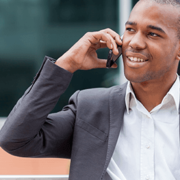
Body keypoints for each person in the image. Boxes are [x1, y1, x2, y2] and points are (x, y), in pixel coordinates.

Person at [1, 0, 180, 179]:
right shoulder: (90, 110)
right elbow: (15, 140)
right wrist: (66, 64)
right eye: (130, 30)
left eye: (153, 34)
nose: (135, 43)